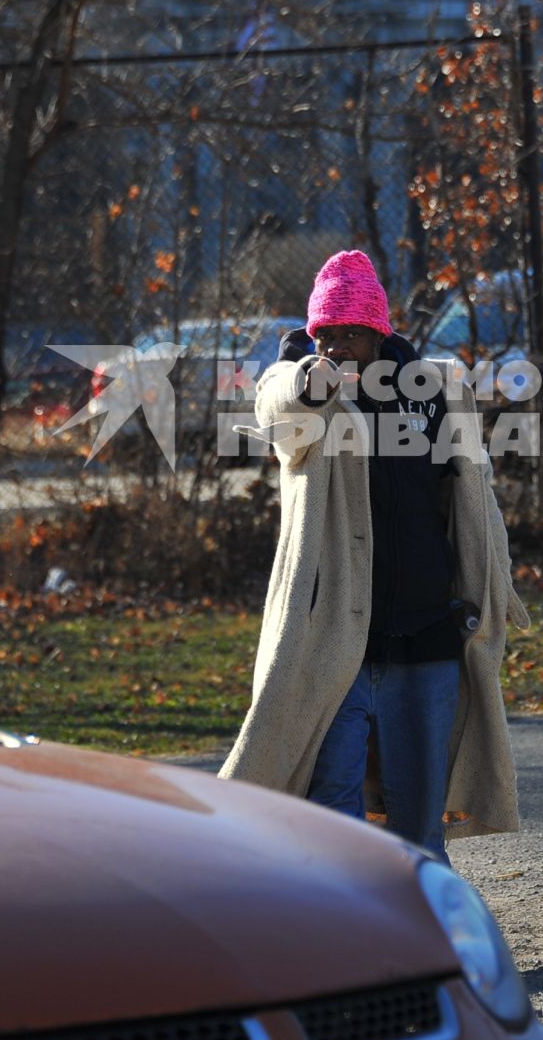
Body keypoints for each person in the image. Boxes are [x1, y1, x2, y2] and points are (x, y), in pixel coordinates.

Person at [220, 250, 525, 859]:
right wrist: (307, 381)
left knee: (419, 814)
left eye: (350, 334)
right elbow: (275, 400)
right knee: (333, 795)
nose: (336, 348)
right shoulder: (306, 391)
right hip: (335, 637)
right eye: (324, 335)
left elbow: (472, 497)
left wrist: (491, 585)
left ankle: (427, 930)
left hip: (427, 632)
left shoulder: (432, 390)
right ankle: (345, 924)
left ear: (379, 334)